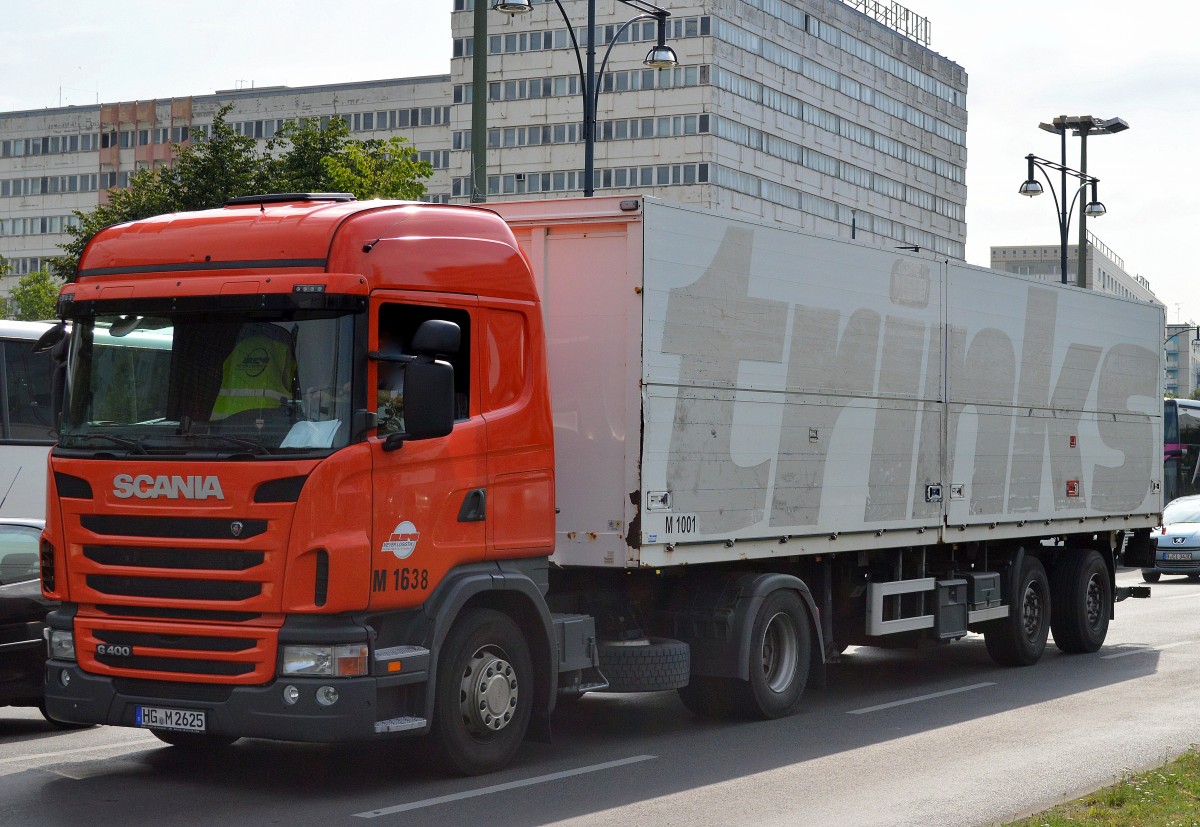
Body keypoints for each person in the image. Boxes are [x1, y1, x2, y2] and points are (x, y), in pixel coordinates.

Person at [377, 328, 405, 434]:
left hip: (397, 435)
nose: (381, 345)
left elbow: (400, 399)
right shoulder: (371, 372)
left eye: (384, 341)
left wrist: (360, 393)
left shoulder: (405, 371)